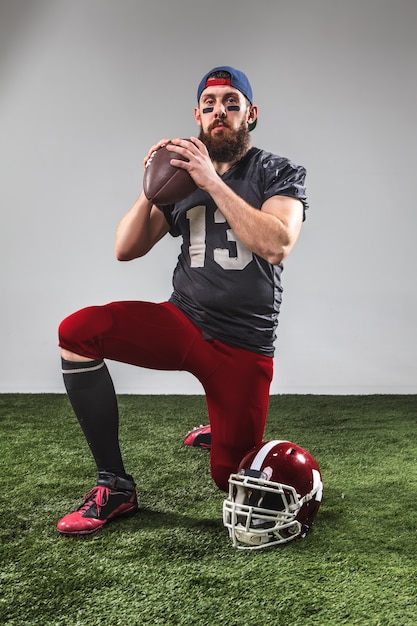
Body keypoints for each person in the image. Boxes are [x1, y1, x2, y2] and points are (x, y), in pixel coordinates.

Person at [56, 65, 308, 536]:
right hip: (185, 321)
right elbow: (125, 248)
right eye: (210, 104)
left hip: (243, 343)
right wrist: (153, 184)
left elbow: (276, 244)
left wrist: (212, 181)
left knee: (230, 481)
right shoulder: (183, 175)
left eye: (232, 103)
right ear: (197, 114)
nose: (220, 112)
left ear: (250, 114)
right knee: (77, 331)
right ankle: (115, 485)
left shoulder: (277, 171)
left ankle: (224, 427)